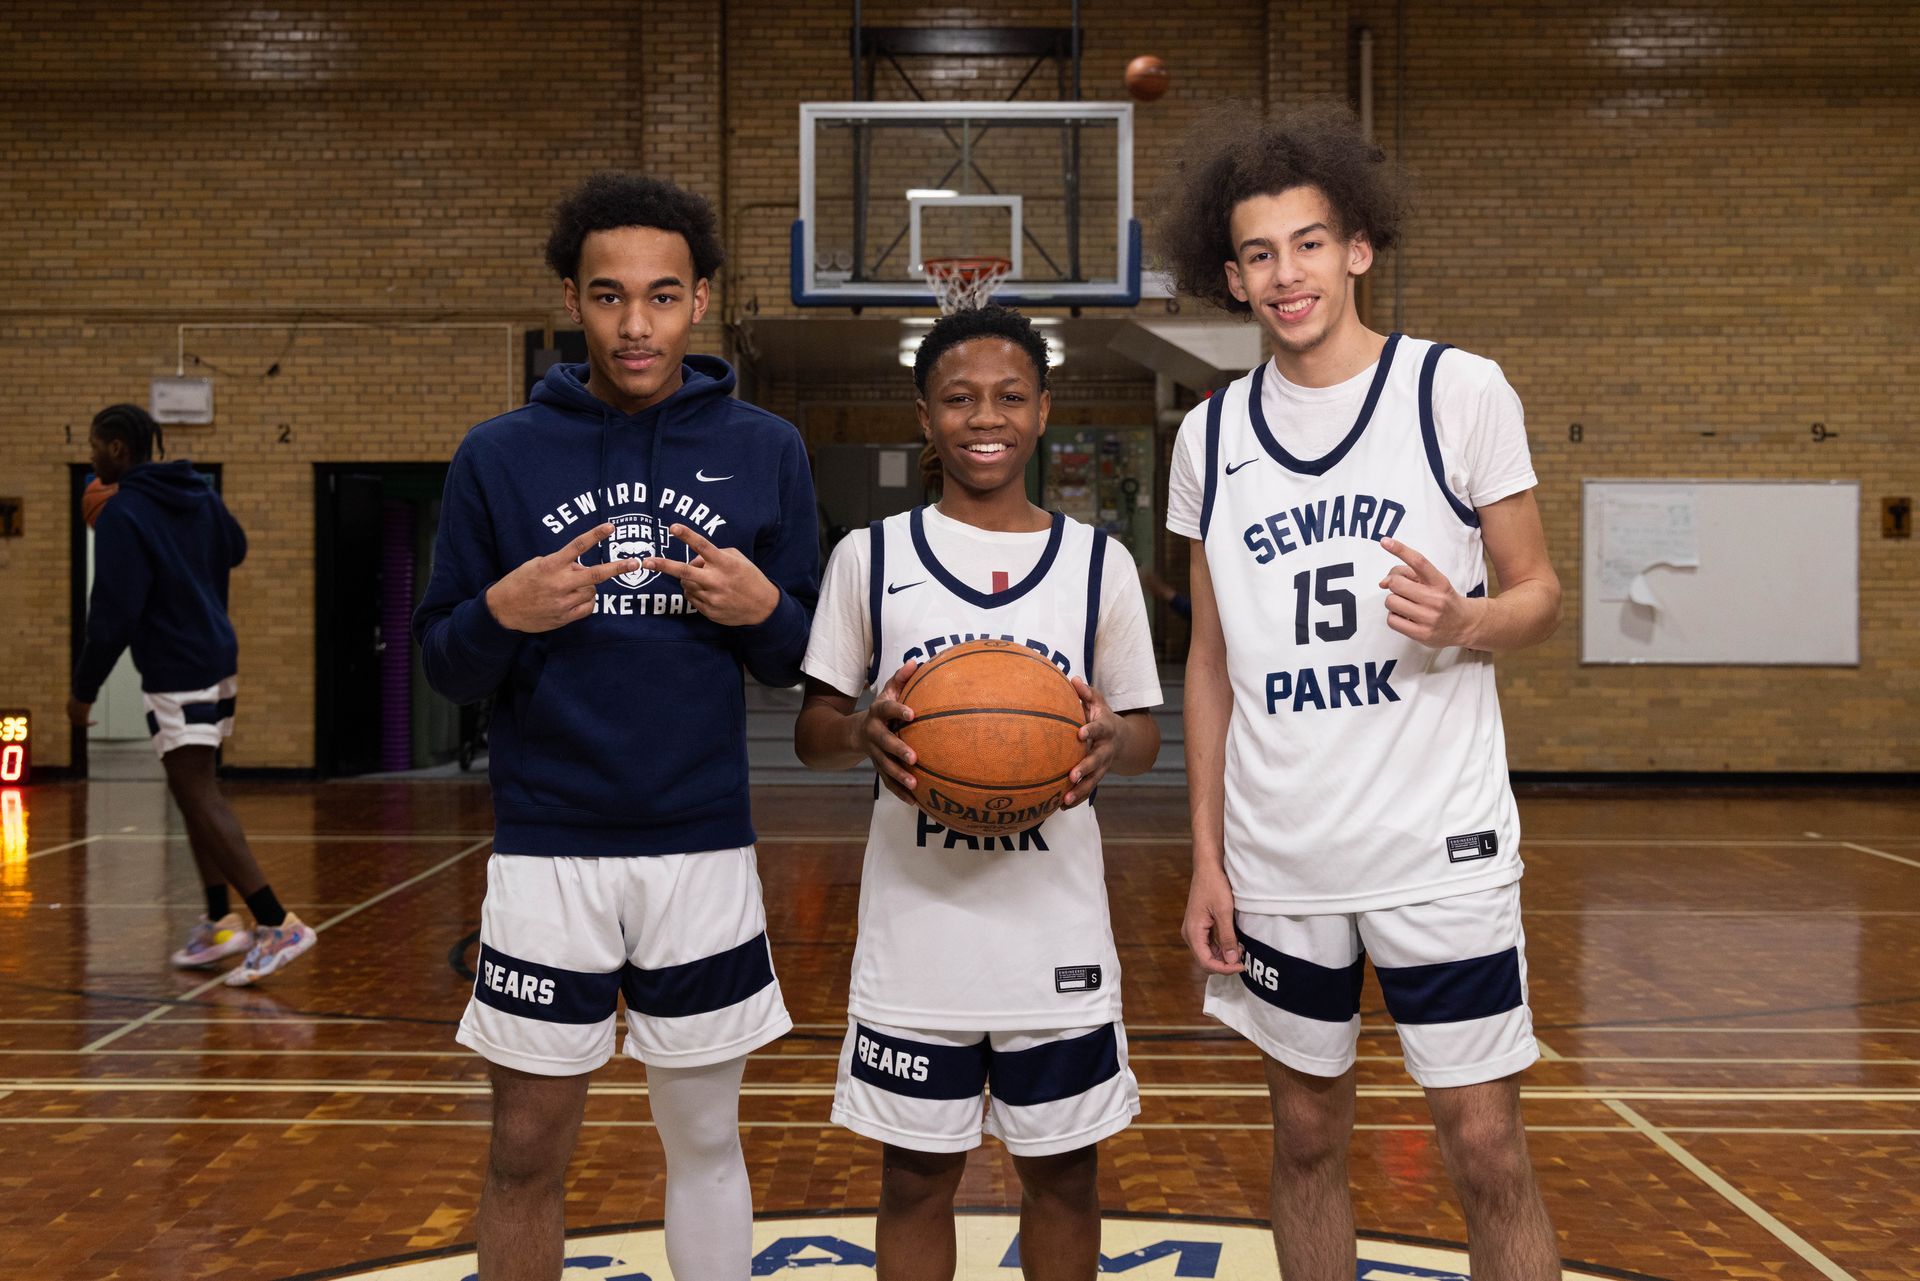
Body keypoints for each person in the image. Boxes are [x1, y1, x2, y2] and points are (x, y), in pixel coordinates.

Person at [1156, 102, 1564, 1281]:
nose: (1288, 275)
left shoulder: (1458, 391)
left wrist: (1468, 617)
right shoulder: (1210, 436)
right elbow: (1211, 664)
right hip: (1283, 854)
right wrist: (1207, 858)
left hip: (1440, 844)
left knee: (1486, 1144)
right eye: (1260, 254)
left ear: (1359, 248)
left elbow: (1539, 593)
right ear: (1230, 277)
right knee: (1303, 1135)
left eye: (1310, 243)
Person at [413, 173, 819, 1281]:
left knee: (703, 1139)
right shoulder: (498, 455)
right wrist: (501, 614)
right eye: (608, 297)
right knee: (526, 1146)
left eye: (661, 296)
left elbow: (805, 662)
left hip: (700, 844)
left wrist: (766, 612)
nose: (635, 325)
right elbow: (443, 656)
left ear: (700, 304)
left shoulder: (767, 448)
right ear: (571, 299)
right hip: (549, 848)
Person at [793, 305, 1162, 1281]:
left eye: (1007, 397)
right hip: (919, 932)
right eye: (958, 398)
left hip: (1056, 931)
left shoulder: (1098, 565)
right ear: (925, 416)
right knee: (916, 1178)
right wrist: (861, 728)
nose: (983, 417)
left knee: (1065, 1179)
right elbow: (813, 733)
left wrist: (1114, 739)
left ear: (1043, 413)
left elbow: (1147, 735)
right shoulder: (869, 559)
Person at [68, 404, 316, 987]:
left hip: (178, 666)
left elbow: (112, 616)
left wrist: (83, 692)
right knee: (191, 788)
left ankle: (276, 923)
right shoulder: (197, 494)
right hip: (215, 657)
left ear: (119, 451)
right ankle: (217, 919)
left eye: (97, 446)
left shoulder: (125, 511)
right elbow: (236, 547)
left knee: (199, 791)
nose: (92, 455)